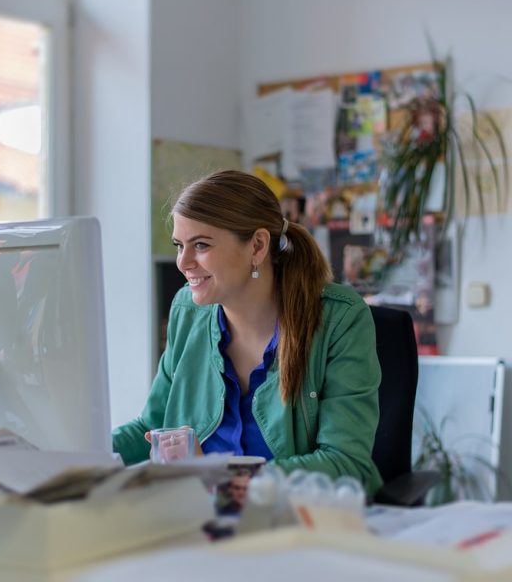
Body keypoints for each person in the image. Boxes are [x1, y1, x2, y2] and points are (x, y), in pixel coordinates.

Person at [112, 170, 383, 497]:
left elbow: (345, 462)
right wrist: (74, 455)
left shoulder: (339, 319)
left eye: (201, 244)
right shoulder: (188, 309)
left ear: (257, 246)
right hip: (202, 518)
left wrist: (220, 476)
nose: (183, 262)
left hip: (296, 522)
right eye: (179, 245)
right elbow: (151, 427)